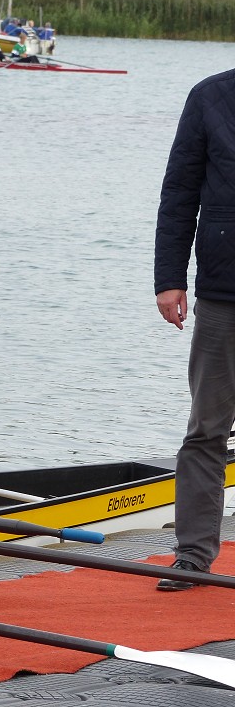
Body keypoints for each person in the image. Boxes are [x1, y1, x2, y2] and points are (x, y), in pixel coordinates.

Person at [153, 68, 235, 591]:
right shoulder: (209, 97)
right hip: (224, 292)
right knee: (207, 429)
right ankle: (193, 555)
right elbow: (179, 192)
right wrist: (169, 278)